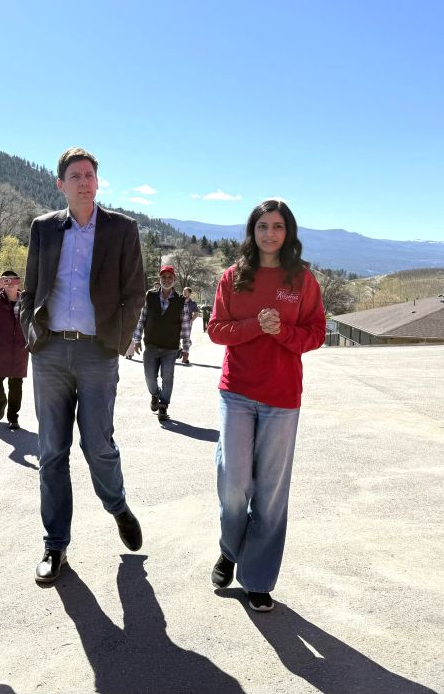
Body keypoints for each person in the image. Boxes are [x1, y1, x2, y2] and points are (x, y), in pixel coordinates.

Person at [21, 147, 146, 586]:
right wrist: (30, 334)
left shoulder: (122, 229)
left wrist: (117, 340)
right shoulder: (43, 229)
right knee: (52, 452)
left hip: (97, 353)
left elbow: (136, 291)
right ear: (61, 184)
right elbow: (30, 288)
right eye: (75, 176)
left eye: (90, 175)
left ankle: (117, 506)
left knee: (98, 445)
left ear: (98, 182)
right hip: (51, 352)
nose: (84, 182)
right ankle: (56, 545)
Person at [206, 199, 326, 612]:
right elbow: (216, 330)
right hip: (236, 392)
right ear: (252, 231)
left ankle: (257, 577)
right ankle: (229, 549)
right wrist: (257, 324)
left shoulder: (302, 279)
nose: (269, 233)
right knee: (234, 485)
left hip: (281, 396)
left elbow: (316, 333)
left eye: (277, 226)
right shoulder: (232, 277)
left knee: (271, 495)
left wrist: (284, 334)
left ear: (287, 232)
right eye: (262, 226)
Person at [132, 265, 191, 422]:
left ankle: (163, 405)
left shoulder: (181, 301)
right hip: (151, 345)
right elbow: (141, 317)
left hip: (170, 348)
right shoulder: (150, 296)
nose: (166, 280)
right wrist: (136, 339)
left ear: (174, 280)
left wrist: (186, 348)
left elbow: (185, 326)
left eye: (169, 277)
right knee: (149, 377)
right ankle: (156, 394)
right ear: (160, 279)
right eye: (164, 277)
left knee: (168, 377)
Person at [0, 270, 29, 431]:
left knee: (16, 384)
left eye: (15, 279)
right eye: (7, 280)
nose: (11, 283)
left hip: (19, 349)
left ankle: (13, 418)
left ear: (19, 282)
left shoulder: (25, 300)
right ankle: (0, 402)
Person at [180, 287, 199, 364]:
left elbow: (196, 313)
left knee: (186, 340)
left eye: (186, 292)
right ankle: (178, 352)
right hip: (177, 322)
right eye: (183, 291)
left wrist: (192, 320)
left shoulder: (193, 303)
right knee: (174, 338)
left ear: (190, 293)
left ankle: (185, 358)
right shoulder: (179, 301)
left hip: (187, 324)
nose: (184, 293)